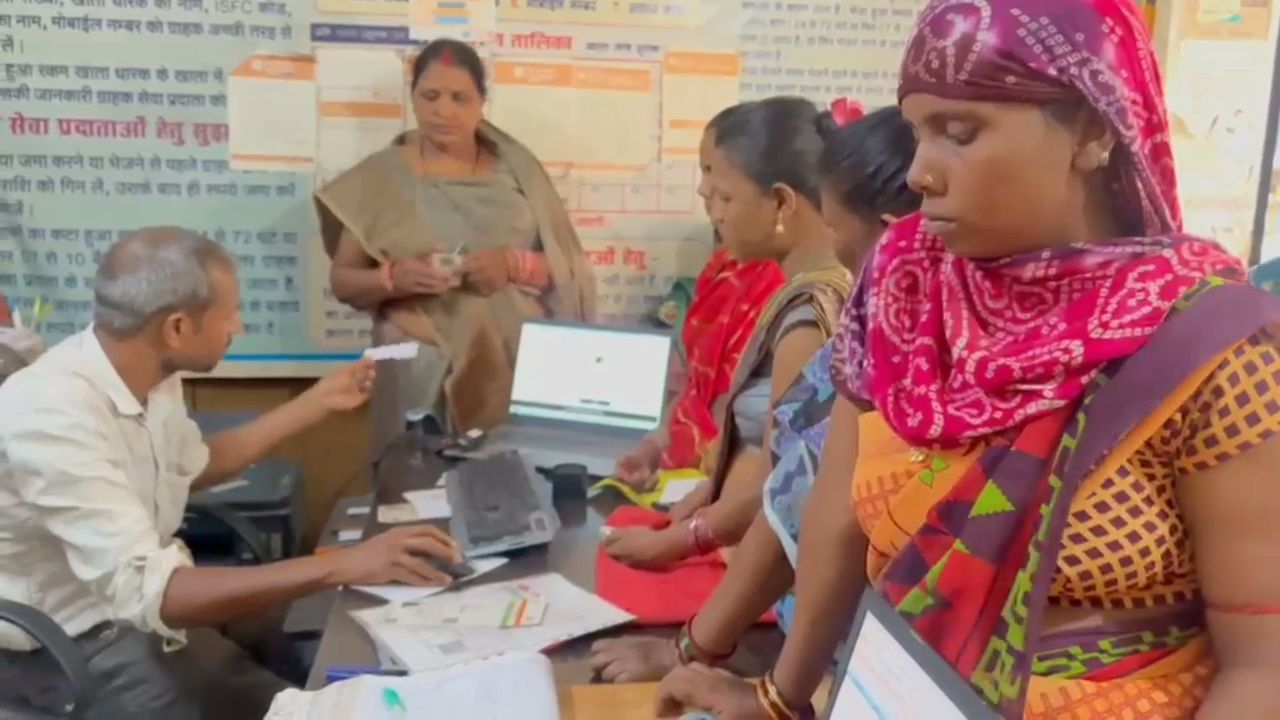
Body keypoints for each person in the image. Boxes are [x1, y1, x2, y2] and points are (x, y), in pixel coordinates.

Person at [652, 2, 1280, 719]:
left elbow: (1264, 668)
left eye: (959, 133)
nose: (920, 171)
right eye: (917, 132)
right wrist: (778, 697)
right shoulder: (905, 281)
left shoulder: (1213, 345)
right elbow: (836, 514)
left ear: (1092, 131)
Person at [0, 228, 465, 720]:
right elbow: (158, 594)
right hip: (67, 648)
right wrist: (346, 563)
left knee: (323, 641)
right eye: (230, 315)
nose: (238, 326)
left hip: (139, 609)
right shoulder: (51, 415)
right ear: (177, 328)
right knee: (282, 703)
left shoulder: (149, 373)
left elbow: (192, 467)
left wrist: (316, 403)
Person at [590, 104, 920, 681]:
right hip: (821, 644)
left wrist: (696, 638)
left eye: (721, 194)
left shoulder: (828, 313)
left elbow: (796, 498)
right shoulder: (864, 331)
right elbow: (794, 491)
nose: (712, 211)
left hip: (858, 653)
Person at [602, 97, 853, 569]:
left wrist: (680, 543)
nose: (711, 209)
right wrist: (711, 494)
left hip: (770, 568)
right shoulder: (807, 289)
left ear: (780, 201)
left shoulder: (811, 316)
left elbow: (790, 481)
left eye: (725, 197)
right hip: (741, 542)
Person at [316, 38, 596, 449]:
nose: (443, 110)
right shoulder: (381, 177)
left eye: (459, 98)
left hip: (516, 362)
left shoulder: (519, 171)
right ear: (412, 98)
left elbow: (570, 268)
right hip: (414, 361)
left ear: (482, 102)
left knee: (511, 488)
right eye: (430, 96)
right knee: (412, 491)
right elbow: (343, 281)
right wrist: (395, 277)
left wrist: (514, 265)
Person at [614, 110, 787, 488]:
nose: (703, 191)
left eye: (715, 176)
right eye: (703, 170)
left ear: (778, 200)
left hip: (732, 493)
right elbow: (697, 391)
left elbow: (753, 431)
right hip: (686, 484)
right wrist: (653, 447)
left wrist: (692, 514)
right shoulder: (721, 270)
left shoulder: (789, 292)